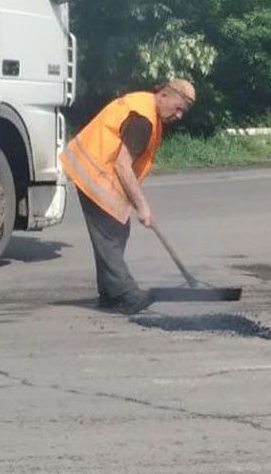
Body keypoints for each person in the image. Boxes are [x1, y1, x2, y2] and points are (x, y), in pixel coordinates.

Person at [60, 80, 196, 314]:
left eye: (183, 111)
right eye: (178, 107)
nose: (179, 115)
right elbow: (123, 166)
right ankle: (127, 294)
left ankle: (110, 294)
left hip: (100, 172)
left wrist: (136, 204)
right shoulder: (143, 120)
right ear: (164, 95)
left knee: (118, 230)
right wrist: (142, 206)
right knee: (109, 236)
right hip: (95, 172)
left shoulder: (146, 107)